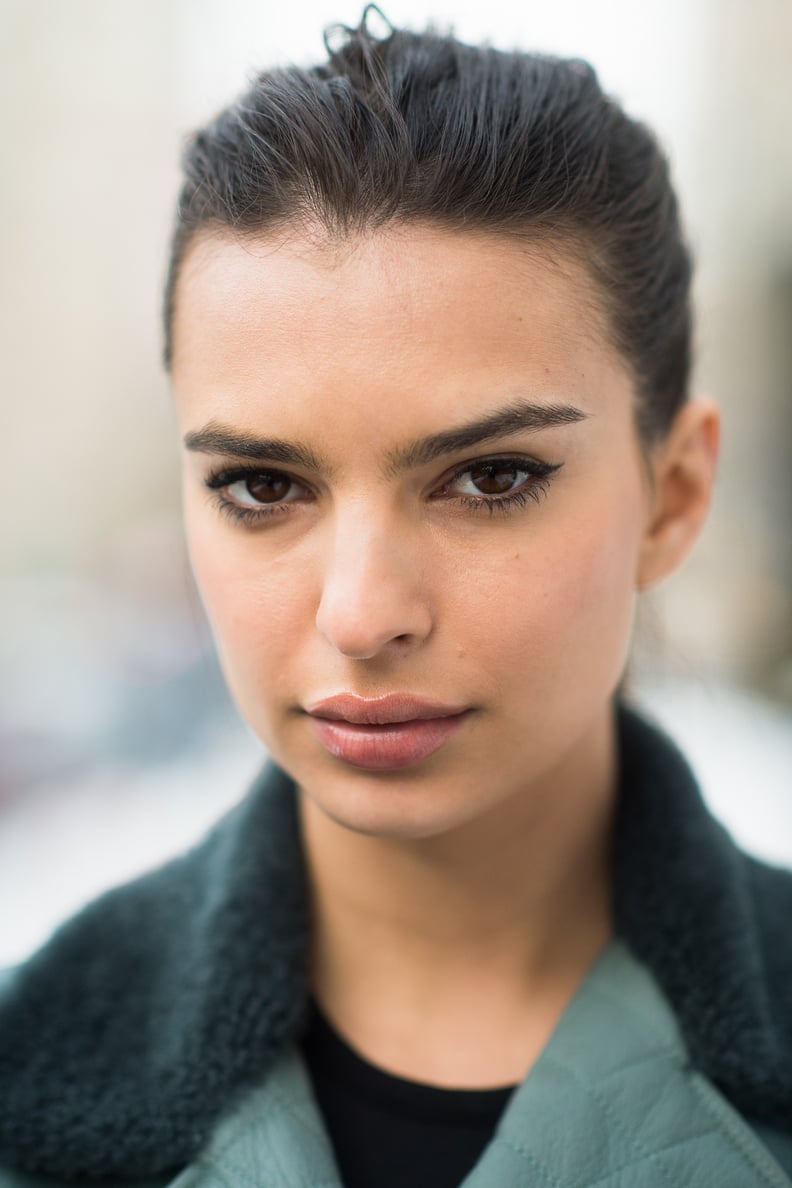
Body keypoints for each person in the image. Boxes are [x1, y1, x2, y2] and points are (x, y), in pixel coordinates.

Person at [1, 9, 790, 1186]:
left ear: (672, 497)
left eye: (491, 478)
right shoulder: (28, 1074)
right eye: (262, 484)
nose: (363, 616)